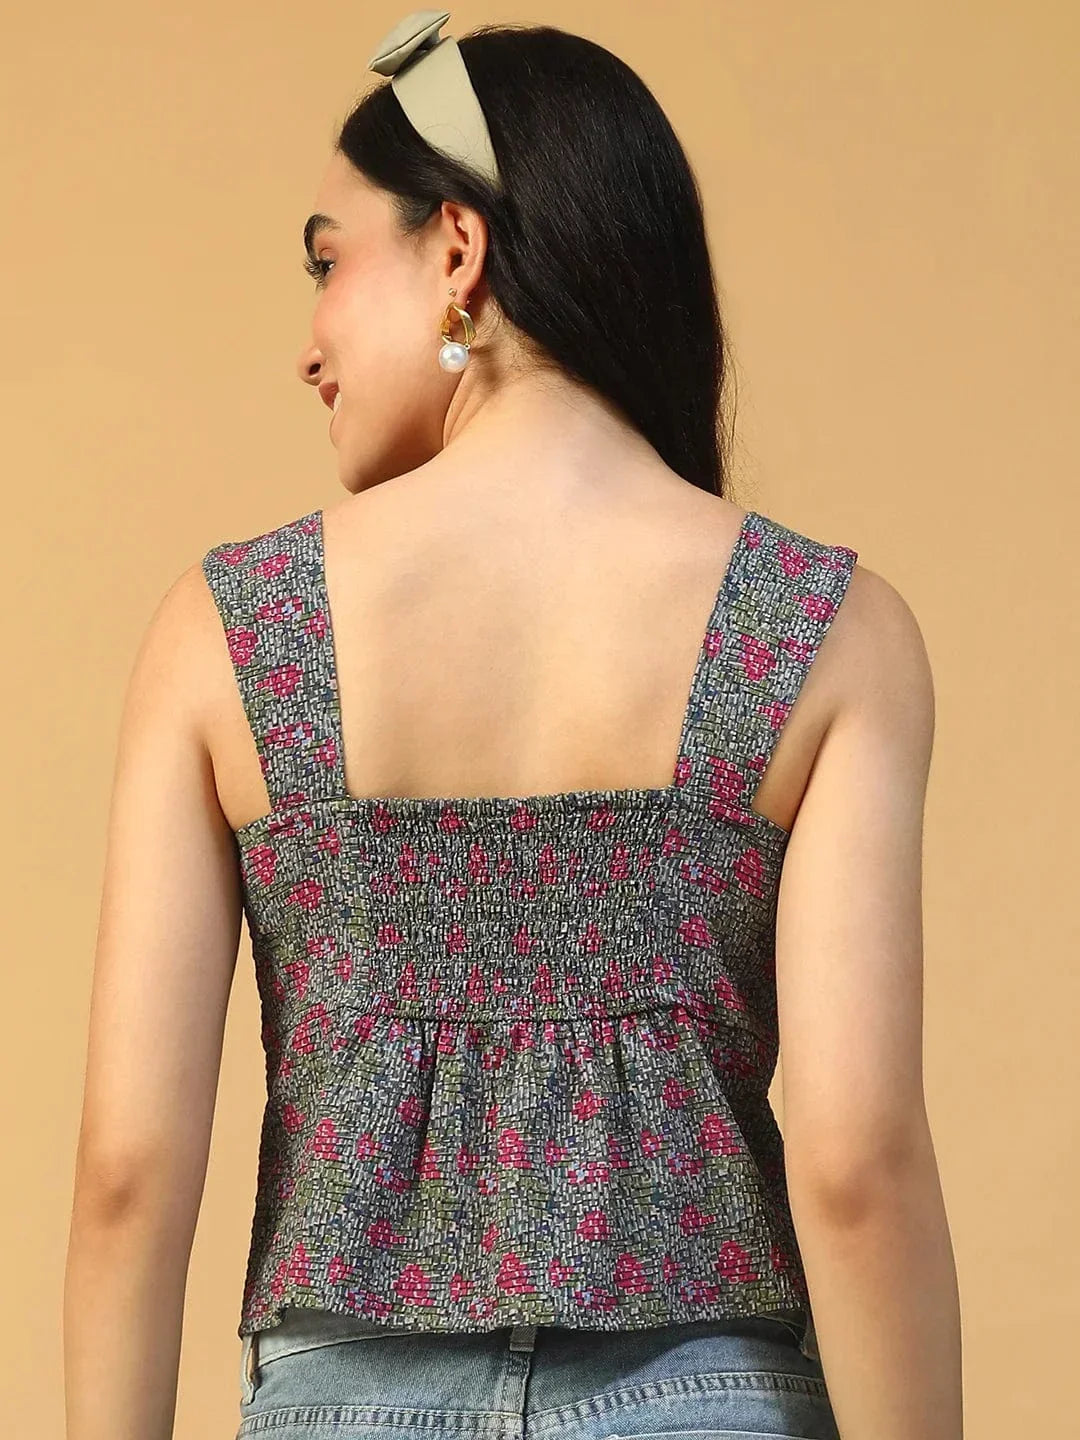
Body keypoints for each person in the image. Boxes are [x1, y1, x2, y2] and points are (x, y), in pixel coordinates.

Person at [63, 13, 962, 1440]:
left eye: (328, 263)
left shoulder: (232, 631)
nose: (309, 345)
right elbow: (857, 1165)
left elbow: (128, 1172)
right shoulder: (824, 627)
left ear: (459, 254)